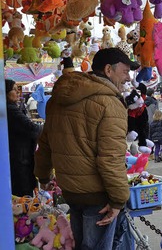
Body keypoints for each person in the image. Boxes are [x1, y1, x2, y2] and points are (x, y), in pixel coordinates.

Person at [34, 48, 139, 249]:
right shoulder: (109, 103)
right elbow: (111, 158)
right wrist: (118, 200)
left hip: (71, 189)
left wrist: (44, 177)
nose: (128, 78)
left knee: (81, 243)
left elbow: (45, 143)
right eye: (125, 71)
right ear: (109, 70)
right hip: (97, 195)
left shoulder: (58, 98)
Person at [6, 79, 42, 196]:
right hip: (19, 159)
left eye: (18, 90)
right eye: (14, 90)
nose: (18, 93)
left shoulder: (12, 108)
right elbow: (32, 128)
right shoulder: (11, 111)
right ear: (5, 92)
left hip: (18, 157)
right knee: (23, 195)